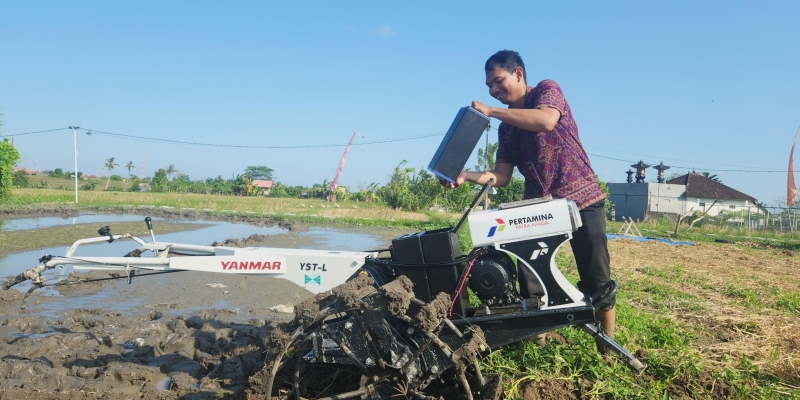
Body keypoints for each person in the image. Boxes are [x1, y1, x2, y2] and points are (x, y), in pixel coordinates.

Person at [441, 49, 615, 348]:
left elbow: (545, 121)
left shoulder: (547, 90)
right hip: (540, 207)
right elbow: (502, 175)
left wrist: (491, 111)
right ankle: (539, 343)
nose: (494, 91)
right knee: (532, 278)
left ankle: (608, 349)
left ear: (518, 73)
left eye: (498, 81)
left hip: (581, 198)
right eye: (490, 87)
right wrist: (465, 175)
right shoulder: (506, 128)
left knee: (596, 278)